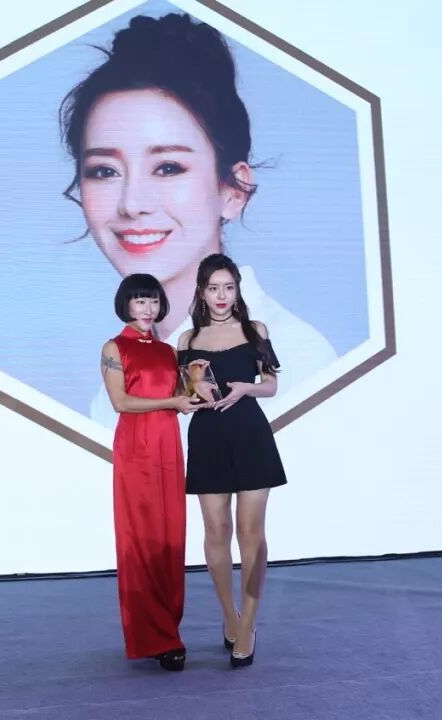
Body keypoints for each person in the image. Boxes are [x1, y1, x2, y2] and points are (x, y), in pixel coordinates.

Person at [59, 12, 338, 428]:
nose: (132, 203)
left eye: (168, 167)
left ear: (233, 190)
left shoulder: (297, 359)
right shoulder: (125, 369)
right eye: (104, 171)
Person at [177, 253, 286, 668]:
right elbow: (185, 395)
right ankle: (230, 617)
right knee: (216, 531)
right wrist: (195, 390)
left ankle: (249, 624)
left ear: (237, 289)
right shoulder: (187, 340)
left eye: (228, 287)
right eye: (213, 288)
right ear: (201, 292)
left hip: (251, 435)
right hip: (207, 437)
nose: (221, 295)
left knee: (251, 533)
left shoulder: (255, 330)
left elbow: (271, 384)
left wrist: (245, 388)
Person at [101, 273, 202, 671]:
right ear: (126, 304)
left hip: (168, 448)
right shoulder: (115, 347)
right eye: (140, 300)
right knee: (140, 538)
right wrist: (172, 403)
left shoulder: (167, 351)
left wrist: (195, 381)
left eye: (153, 301)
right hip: (136, 449)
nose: (148, 308)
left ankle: (168, 630)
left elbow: (184, 399)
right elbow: (121, 402)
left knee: (170, 537)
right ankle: (155, 636)